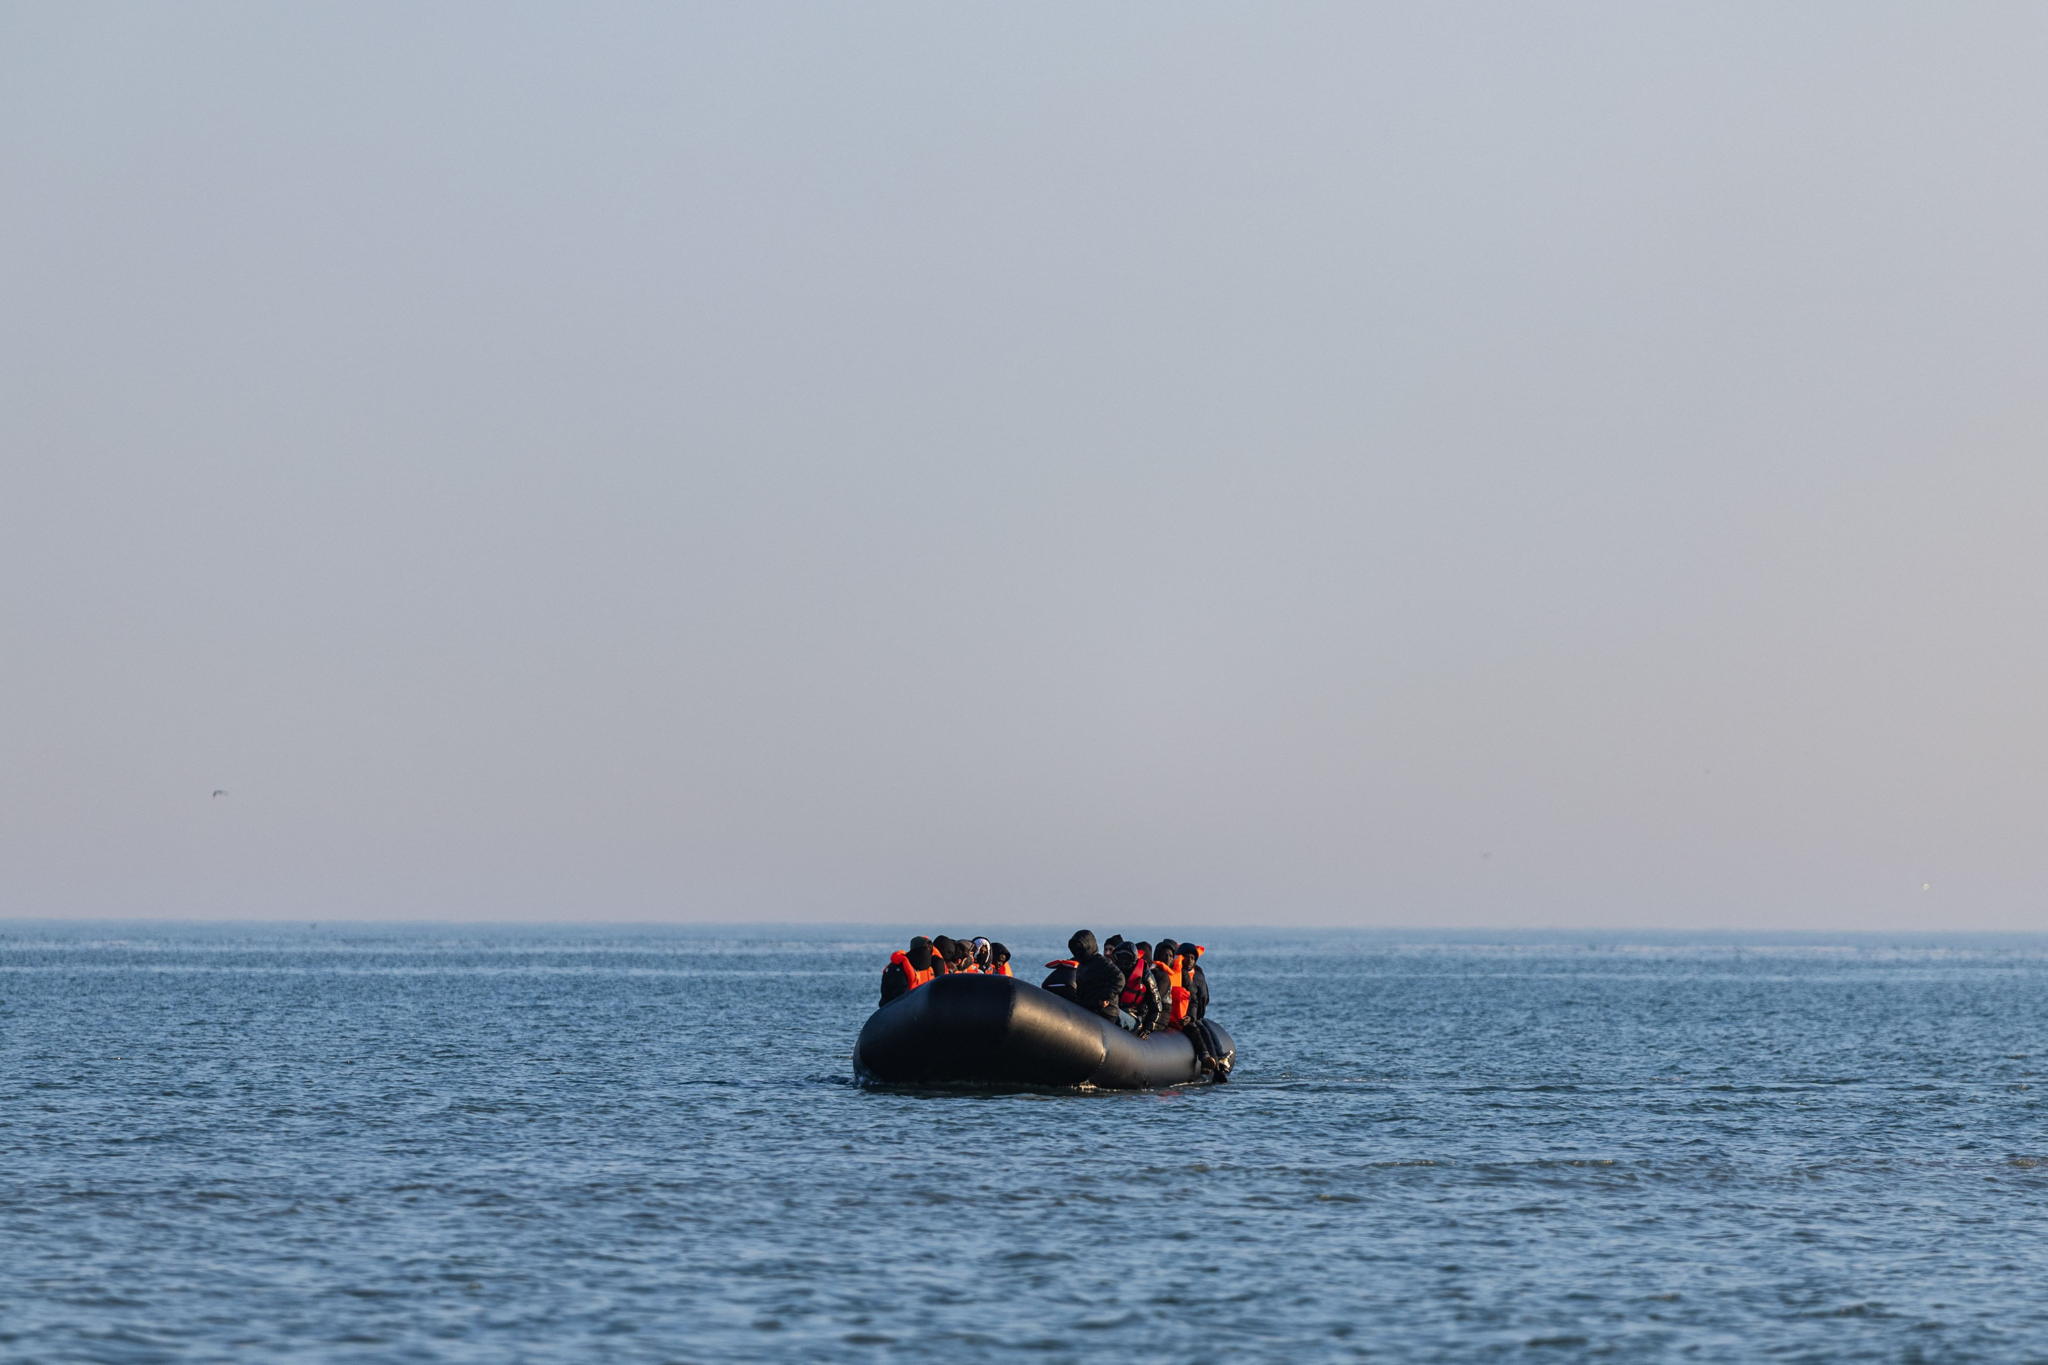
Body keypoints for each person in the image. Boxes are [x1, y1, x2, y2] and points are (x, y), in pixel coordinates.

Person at [1069, 930, 1124, 1021]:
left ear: (1088, 946)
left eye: (1080, 948)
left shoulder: (1101, 962)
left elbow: (1119, 978)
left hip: (1106, 1011)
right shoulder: (1082, 963)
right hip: (1089, 1007)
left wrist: (1105, 997)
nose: (1078, 951)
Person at [878, 935, 938, 1005]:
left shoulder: (928, 968)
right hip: (895, 1008)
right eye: (925, 949)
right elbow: (898, 996)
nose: (926, 954)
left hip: (916, 1007)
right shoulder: (898, 968)